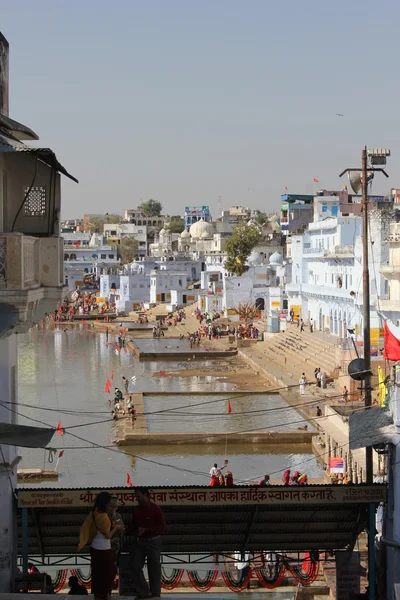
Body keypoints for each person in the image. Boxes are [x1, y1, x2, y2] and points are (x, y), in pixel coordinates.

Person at [78, 491, 124, 600]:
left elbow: (100, 528)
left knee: (98, 573)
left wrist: (112, 525)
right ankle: (104, 595)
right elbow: (108, 535)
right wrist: (116, 528)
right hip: (103, 549)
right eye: (110, 504)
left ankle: (98, 595)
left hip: (95, 547)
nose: (111, 507)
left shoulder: (95, 513)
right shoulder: (104, 517)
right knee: (109, 572)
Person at [128, 487, 165, 600]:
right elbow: (134, 526)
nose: (137, 499)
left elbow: (162, 526)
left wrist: (148, 530)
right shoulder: (136, 510)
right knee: (135, 566)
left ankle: (155, 595)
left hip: (153, 541)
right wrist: (124, 528)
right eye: (136, 497)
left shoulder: (155, 509)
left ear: (146, 495)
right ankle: (144, 592)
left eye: (138, 496)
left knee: (154, 569)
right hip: (140, 542)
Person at [109, 496, 124, 568]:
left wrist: (121, 529)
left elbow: (122, 529)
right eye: (111, 507)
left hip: (116, 545)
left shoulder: (118, 516)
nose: (113, 509)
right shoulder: (104, 516)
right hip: (106, 545)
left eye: (115, 507)